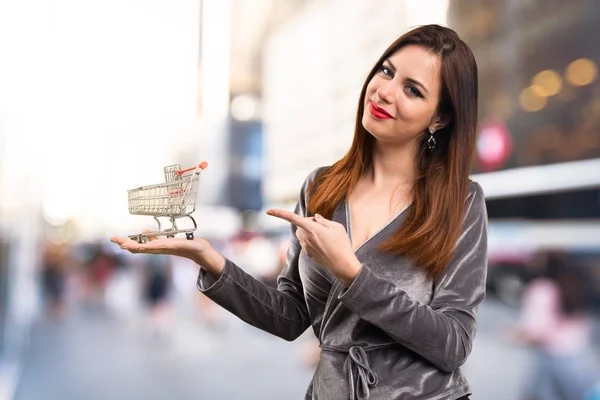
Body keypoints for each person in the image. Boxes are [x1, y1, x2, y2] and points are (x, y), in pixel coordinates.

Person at [112, 24, 487, 400]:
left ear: (439, 119)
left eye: (412, 89)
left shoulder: (461, 202)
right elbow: (290, 316)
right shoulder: (321, 188)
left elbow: (454, 344)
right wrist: (211, 261)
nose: (385, 91)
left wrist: (352, 274)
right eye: (386, 71)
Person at [504, 251, 599, 400]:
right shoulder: (573, 283)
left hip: (553, 361)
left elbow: (536, 332)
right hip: (581, 360)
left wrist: (510, 333)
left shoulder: (541, 288)